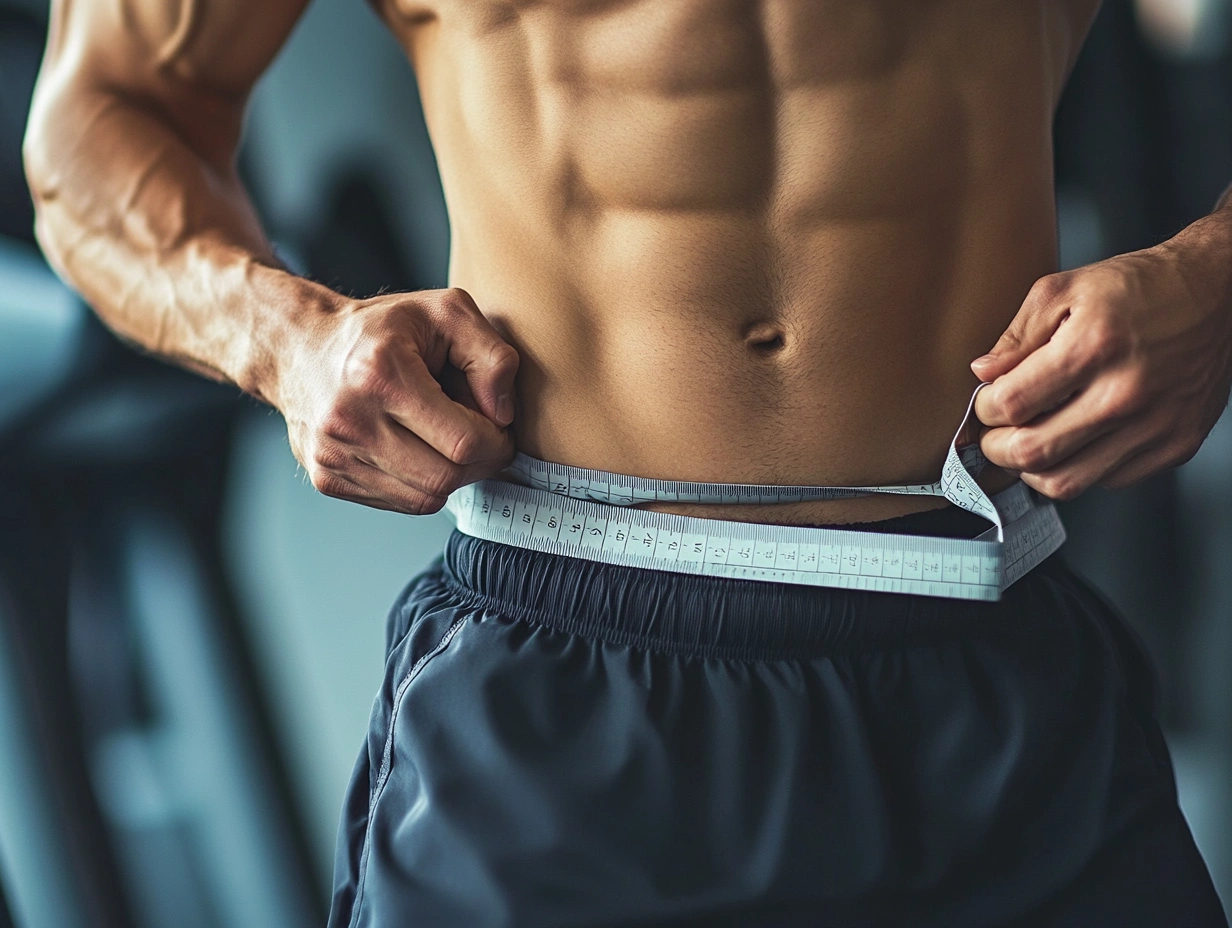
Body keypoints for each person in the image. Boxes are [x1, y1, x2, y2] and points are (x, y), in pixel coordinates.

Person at [23, 1, 1232, 924]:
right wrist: (286, 344)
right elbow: (94, 124)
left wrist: (1220, 280)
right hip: (565, 691)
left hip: (997, 690)